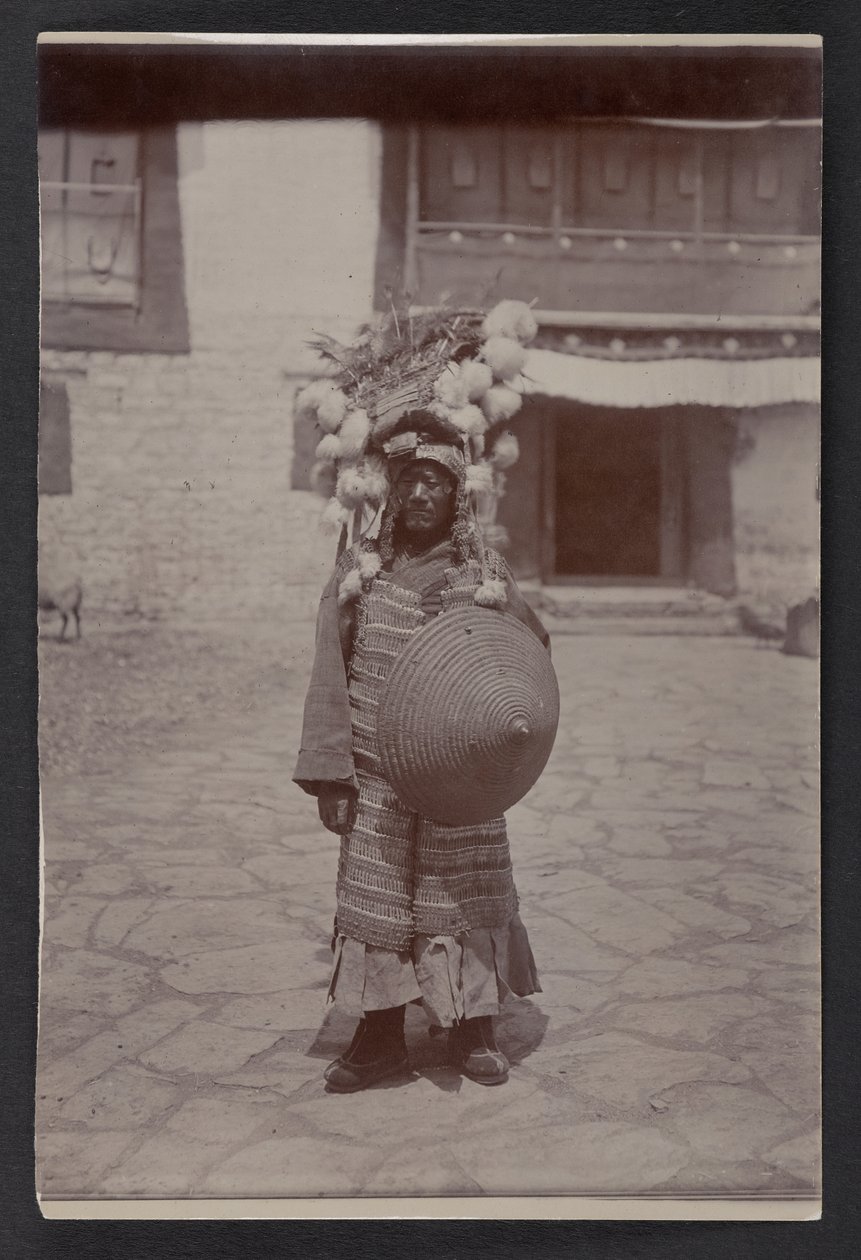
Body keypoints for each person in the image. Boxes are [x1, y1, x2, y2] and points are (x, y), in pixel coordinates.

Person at [294, 408, 550, 1093]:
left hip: (459, 784)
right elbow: (329, 672)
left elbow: (530, 656)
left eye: (435, 481)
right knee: (376, 904)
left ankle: (471, 1026)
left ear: (457, 494)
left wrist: (499, 724)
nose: (419, 495)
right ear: (388, 489)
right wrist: (331, 775)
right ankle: (379, 1038)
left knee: (461, 899)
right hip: (377, 779)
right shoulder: (361, 575)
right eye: (408, 480)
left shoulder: (485, 578)